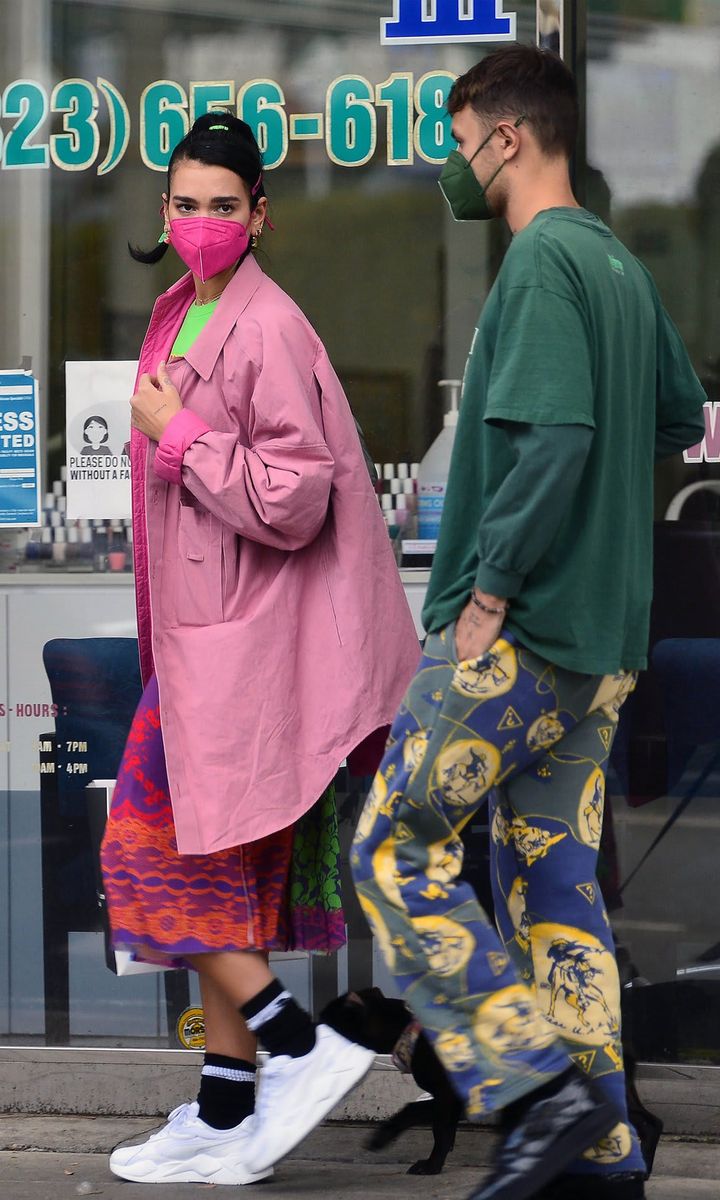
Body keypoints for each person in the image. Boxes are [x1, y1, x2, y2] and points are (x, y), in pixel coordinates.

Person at [245, 47, 708, 1200]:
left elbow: (553, 440)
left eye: (458, 141)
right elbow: (675, 414)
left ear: (506, 136)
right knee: (556, 894)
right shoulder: (616, 261)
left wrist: (491, 588)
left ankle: (532, 1084)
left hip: (518, 640)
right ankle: (601, 1153)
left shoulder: (546, 260)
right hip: (601, 649)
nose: (454, 165)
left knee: (393, 846)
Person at [101, 112, 420, 1186]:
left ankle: (296, 1045)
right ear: (165, 211)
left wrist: (177, 435)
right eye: (185, 205)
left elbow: (295, 496)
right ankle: (226, 1112)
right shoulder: (184, 312)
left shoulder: (269, 324)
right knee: (217, 882)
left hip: (240, 643)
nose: (200, 224)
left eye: (222, 207)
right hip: (198, 640)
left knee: (149, 860)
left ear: (259, 216)